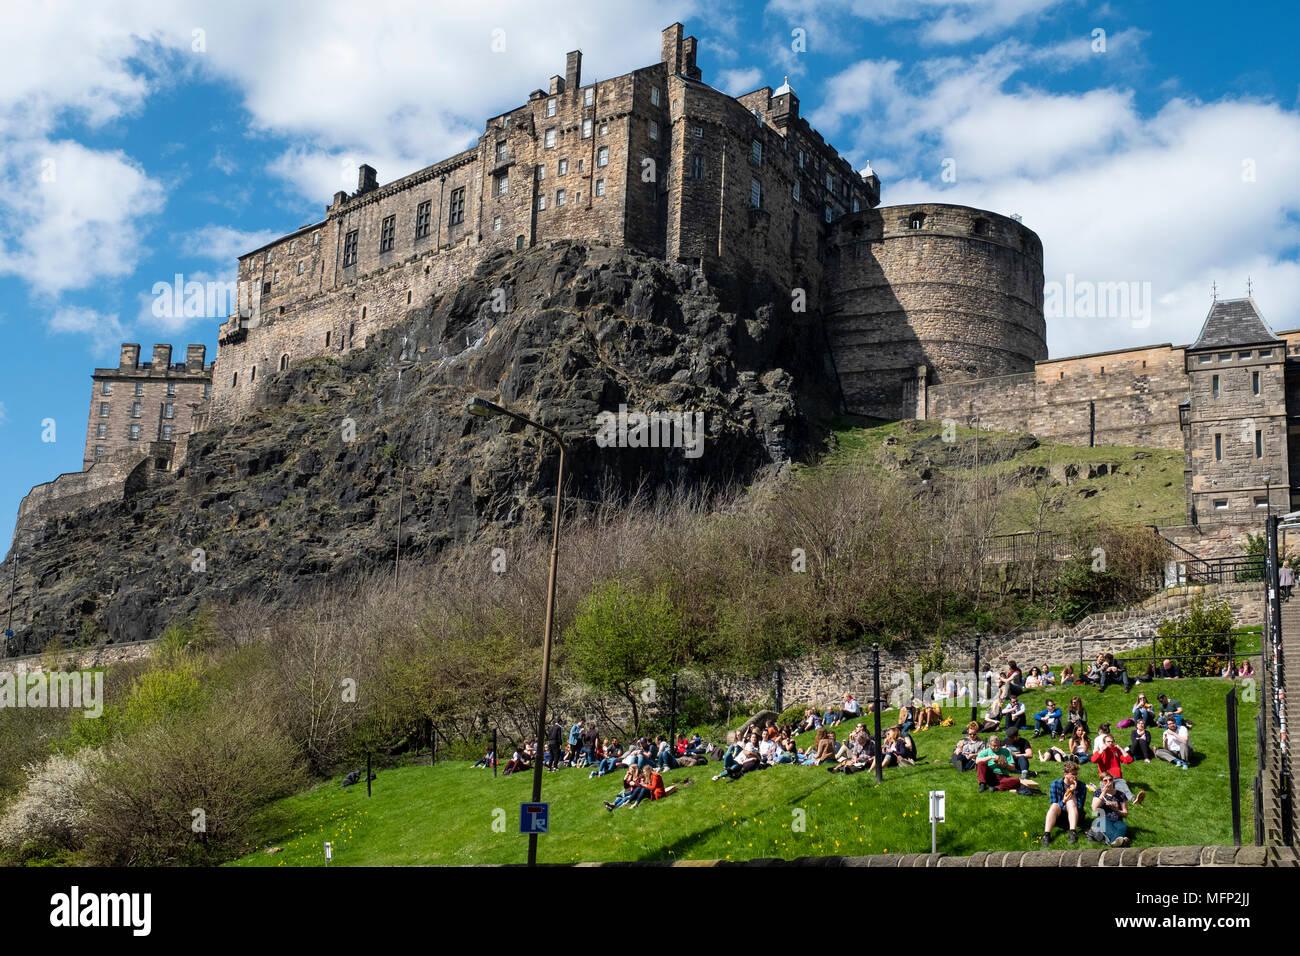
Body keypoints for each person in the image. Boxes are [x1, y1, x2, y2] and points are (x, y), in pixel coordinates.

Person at [1089, 733, 1145, 804]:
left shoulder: (1116, 751)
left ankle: (1133, 799)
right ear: (1104, 742)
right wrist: (1101, 751)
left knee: (1124, 789)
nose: (1111, 743)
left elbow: (1129, 760)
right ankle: (1109, 802)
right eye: (1108, 742)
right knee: (1108, 793)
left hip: (1117, 777)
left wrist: (1121, 749)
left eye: (1112, 741)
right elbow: (1093, 760)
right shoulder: (1101, 752)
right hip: (1105, 778)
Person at [1042, 760, 1088, 846]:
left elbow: (1080, 805)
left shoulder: (1081, 785)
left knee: (1070, 801)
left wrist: (1073, 792)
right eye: (1073, 774)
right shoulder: (1055, 784)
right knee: (1054, 805)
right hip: (1060, 816)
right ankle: (1046, 835)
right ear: (1065, 774)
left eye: (1076, 774)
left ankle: (1072, 832)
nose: (1076, 776)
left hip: (1076, 815)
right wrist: (1063, 801)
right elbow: (1054, 803)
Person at [1088, 773, 1131, 846]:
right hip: (1102, 819)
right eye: (1105, 780)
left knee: (1123, 826)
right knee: (1106, 824)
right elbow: (1094, 809)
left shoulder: (1121, 794)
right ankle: (1119, 841)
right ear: (1102, 782)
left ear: (1113, 781)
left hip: (1117, 820)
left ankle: (1115, 842)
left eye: (1110, 780)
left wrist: (1116, 810)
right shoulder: (1098, 793)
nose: (1108, 782)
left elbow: (1125, 813)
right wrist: (1103, 793)